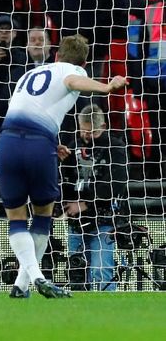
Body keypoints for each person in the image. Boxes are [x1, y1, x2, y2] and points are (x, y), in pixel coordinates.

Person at [0, 35, 128, 299]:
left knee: (16, 217)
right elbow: (72, 80)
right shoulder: (71, 70)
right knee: (43, 213)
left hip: (7, 143)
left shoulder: (29, 75)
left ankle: (22, 286)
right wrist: (107, 86)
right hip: (37, 147)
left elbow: (27, 108)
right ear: (84, 62)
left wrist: (51, 142)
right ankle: (38, 278)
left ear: (55, 55)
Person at [60, 105, 127, 291]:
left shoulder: (115, 147)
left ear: (103, 126)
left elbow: (116, 184)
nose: (87, 136)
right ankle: (80, 319)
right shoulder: (72, 146)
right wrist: (64, 162)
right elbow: (68, 182)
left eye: (93, 132)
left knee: (101, 271)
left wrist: (85, 204)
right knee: (77, 272)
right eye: (84, 131)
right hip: (76, 221)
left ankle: (108, 318)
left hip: (104, 219)